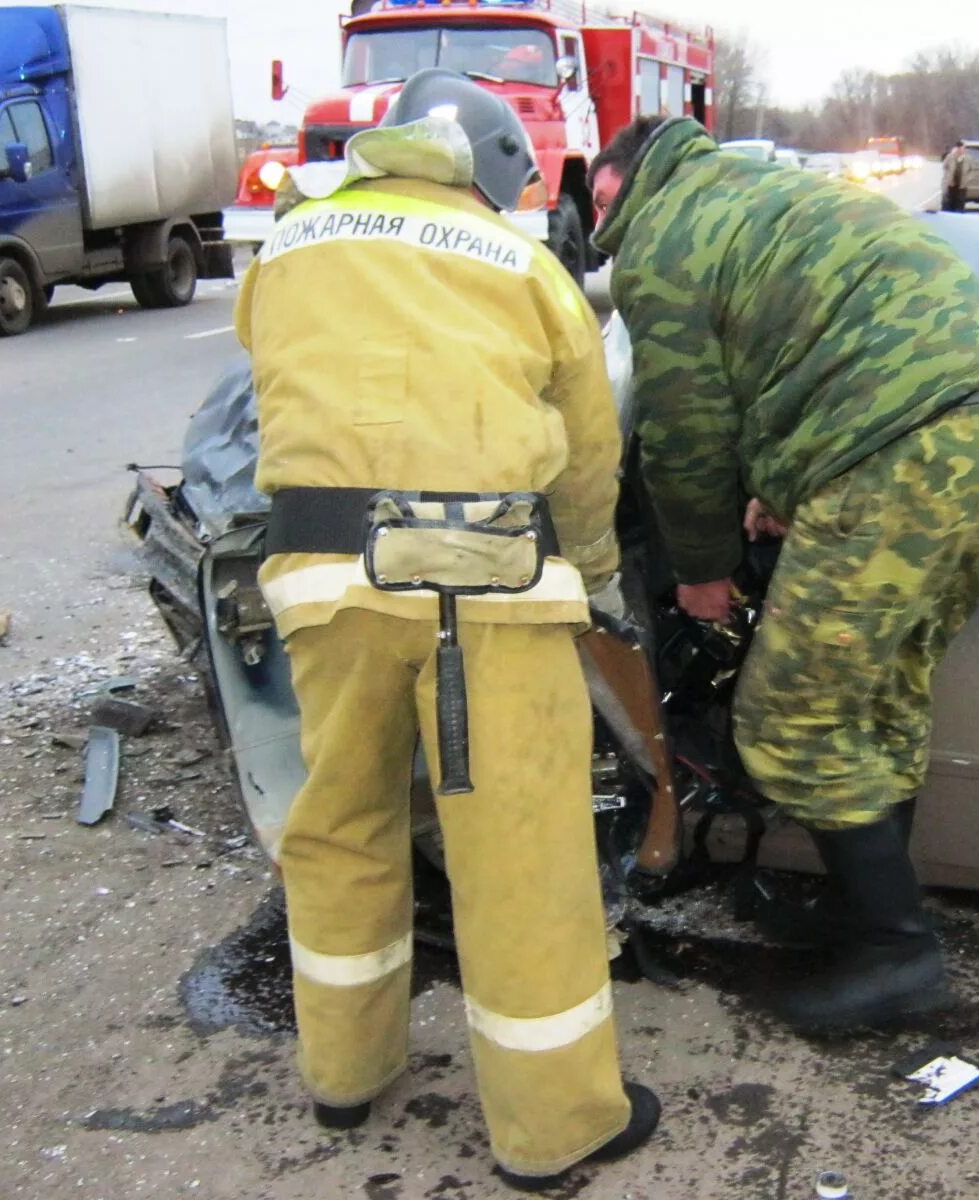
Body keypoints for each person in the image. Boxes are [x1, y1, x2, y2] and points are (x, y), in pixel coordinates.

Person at [233, 70, 658, 1193]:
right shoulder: (522, 264)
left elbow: (273, 378)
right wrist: (597, 575)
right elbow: (584, 449)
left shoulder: (288, 244)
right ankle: (551, 1127)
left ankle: (344, 1076)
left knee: (342, 822)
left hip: (322, 583)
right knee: (517, 850)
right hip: (483, 591)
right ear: (492, 172)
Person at [588, 117, 979, 1033]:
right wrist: (789, 484)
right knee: (877, 696)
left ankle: (897, 955)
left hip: (901, 466)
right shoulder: (778, 196)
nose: (602, 224)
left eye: (602, 202)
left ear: (632, 181)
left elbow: (686, 432)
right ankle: (867, 915)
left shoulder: (662, 236)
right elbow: (808, 359)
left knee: (786, 720)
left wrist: (704, 570)